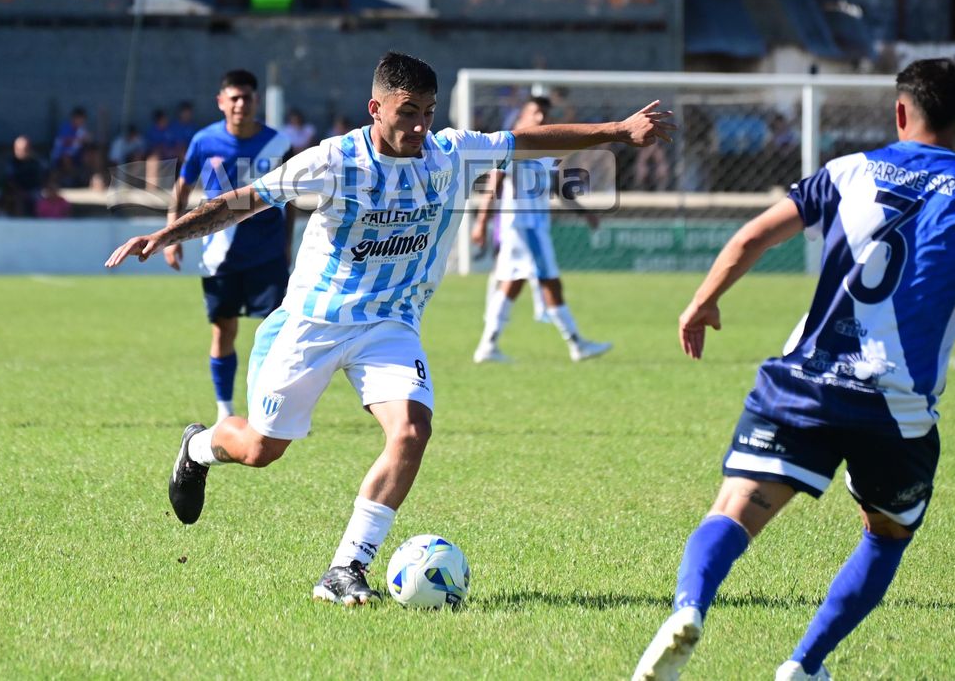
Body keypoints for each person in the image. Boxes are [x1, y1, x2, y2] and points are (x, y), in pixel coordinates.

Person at [105, 52, 672, 605]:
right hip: (313, 324)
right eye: (408, 112)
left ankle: (346, 567)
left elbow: (528, 142)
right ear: (375, 107)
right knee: (260, 448)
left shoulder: (450, 152)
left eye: (428, 110)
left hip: (391, 325)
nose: (421, 125)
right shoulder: (331, 161)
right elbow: (246, 200)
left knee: (410, 432)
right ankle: (199, 446)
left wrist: (618, 132)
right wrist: (168, 234)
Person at [630, 58, 955, 681]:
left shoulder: (848, 171)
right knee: (887, 535)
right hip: (895, 407)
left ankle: (689, 606)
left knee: (735, 508)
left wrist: (704, 300)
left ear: (899, 112)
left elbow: (754, 235)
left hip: (803, 382)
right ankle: (803, 665)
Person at [165, 69, 294, 421]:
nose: (240, 104)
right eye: (233, 98)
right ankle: (225, 411)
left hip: (267, 252)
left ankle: (273, 410)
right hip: (220, 255)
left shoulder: (278, 143)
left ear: (256, 101)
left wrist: (287, 244)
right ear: (221, 102)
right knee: (224, 329)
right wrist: (171, 237)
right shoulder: (204, 142)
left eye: (247, 97)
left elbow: (292, 198)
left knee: (280, 333)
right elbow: (181, 189)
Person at [470, 95, 611, 363]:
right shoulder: (513, 144)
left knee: (514, 283)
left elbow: (559, 188)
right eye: (535, 113)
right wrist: (480, 222)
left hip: (534, 227)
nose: (540, 119)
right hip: (523, 228)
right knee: (549, 282)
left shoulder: (546, 149)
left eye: (544, 115)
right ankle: (577, 343)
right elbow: (494, 184)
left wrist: (585, 213)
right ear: (522, 116)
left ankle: (488, 346)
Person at [2, 135, 44, 216]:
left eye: (24, 149)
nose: (21, 152)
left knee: (39, 200)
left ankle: (38, 225)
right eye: (18, 149)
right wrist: (20, 191)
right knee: (15, 199)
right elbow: (10, 181)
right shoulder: (12, 163)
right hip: (16, 191)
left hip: (33, 190)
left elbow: (40, 179)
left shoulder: (36, 162)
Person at [51, 107, 91, 187]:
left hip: (77, 154)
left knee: (91, 155)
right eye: (79, 119)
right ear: (74, 118)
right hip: (61, 155)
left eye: (83, 119)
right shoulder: (65, 127)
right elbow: (64, 141)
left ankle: (90, 178)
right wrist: (78, 139)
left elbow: (87, 141)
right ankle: (75, 179)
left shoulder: (82, 129)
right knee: (66, 158)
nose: (81, 121)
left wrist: (87, 140)